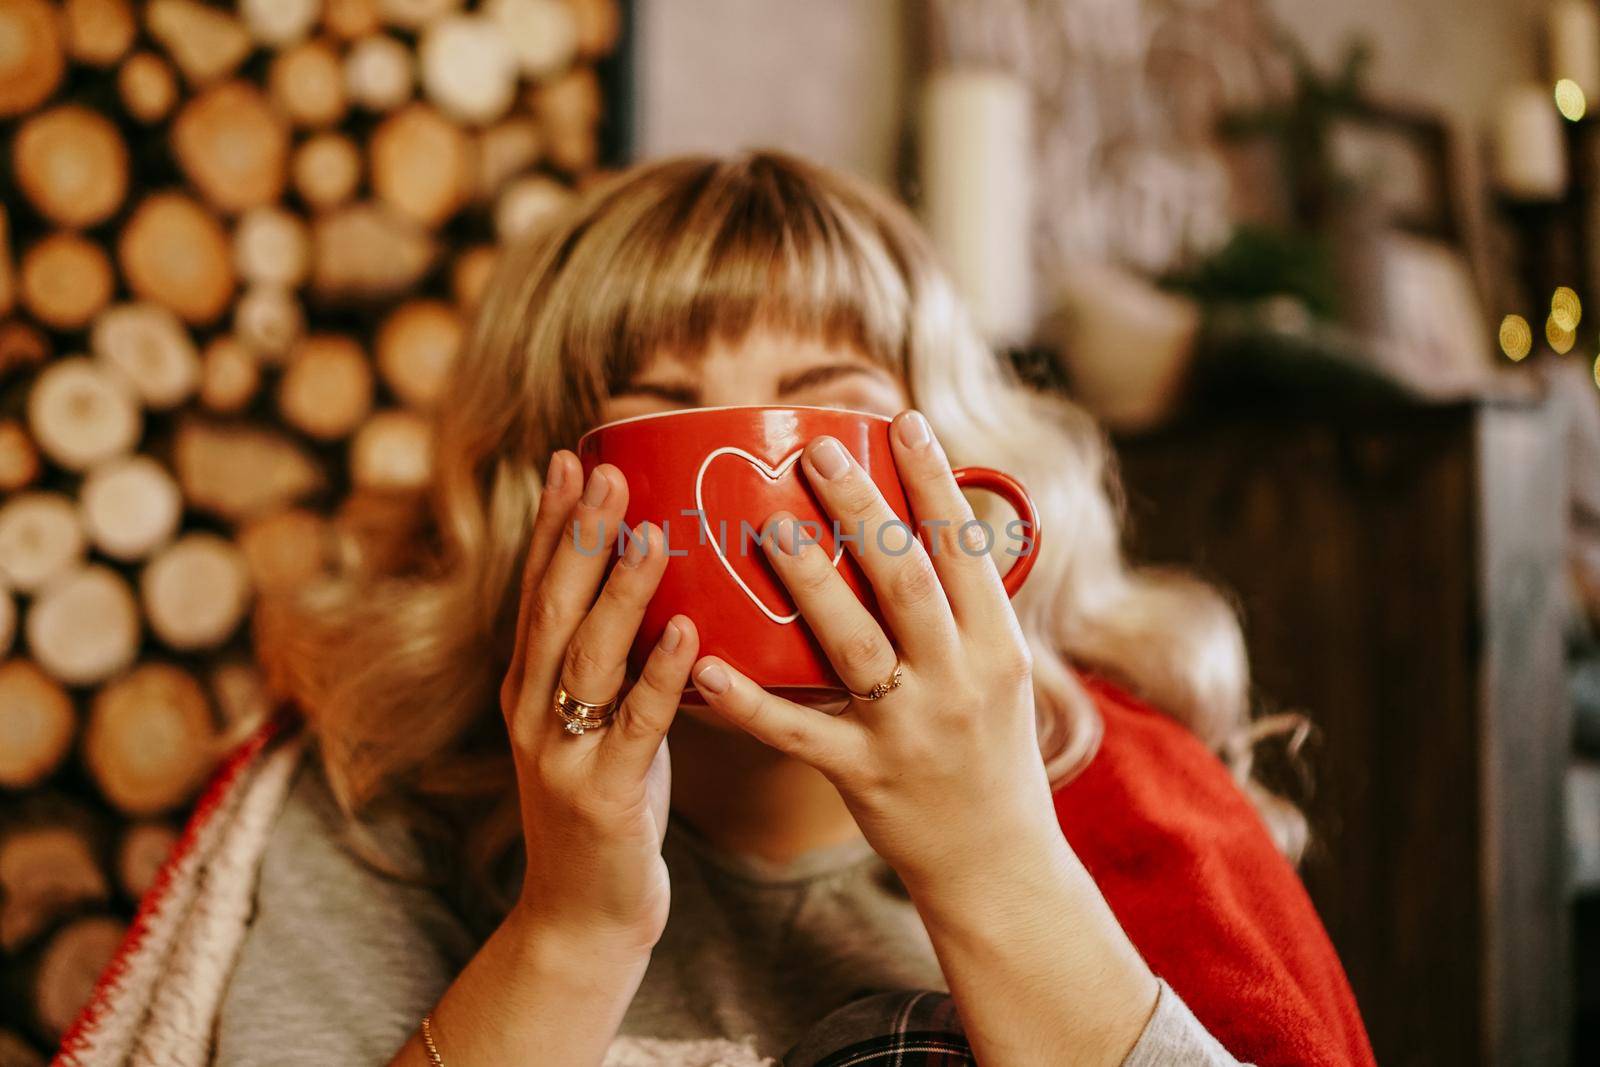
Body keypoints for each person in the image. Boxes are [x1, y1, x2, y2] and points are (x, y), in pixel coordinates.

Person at [215, 151, 1376, 1066]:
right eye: (660, 412)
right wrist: (569, 931)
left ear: (952, 485)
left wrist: (990, 859)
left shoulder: (1143, 808)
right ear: (543, 494)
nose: (761, 489)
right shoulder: (381, 802)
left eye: (829, 410)